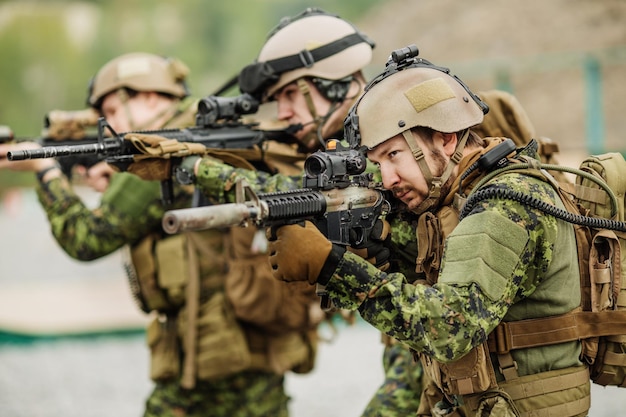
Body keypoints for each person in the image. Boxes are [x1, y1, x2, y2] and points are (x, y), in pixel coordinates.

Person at [265, 49, 590, 417]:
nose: (387, 178)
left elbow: (448, 329)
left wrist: (332, 267)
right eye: (377, 162)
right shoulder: (463, 196)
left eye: (394, 156)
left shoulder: (504, 205)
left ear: (445, 140)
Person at [0, 52, 321, 417]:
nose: (112, 125)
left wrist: (44, 170)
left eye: (114, 110)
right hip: (243, 340)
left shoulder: (161, 150)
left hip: (215, 349)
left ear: (151, 98)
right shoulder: (202, 134)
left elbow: (88, 237)